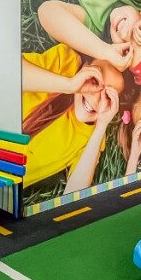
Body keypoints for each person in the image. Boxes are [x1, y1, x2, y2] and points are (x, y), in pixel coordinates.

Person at [21, 43, 123, 194]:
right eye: (95, 80)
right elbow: (8, 70)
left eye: (108, 96)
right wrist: (69, 85)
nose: (96, 98)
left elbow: (74, 193)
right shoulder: (66, 64)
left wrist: (102, 125)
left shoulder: (92, 137)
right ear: (84, 69)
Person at [37, 0, 141, 86]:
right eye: (139, 34)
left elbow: (47, 11)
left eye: (125, 51)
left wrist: (105, 51)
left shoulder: (96, 26)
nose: (125, 35)